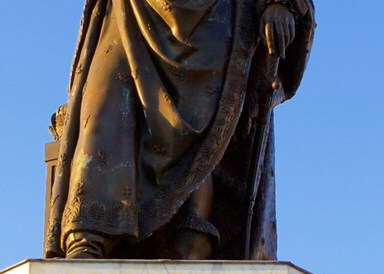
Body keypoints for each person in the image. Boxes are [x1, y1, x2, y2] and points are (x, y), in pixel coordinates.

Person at [43, 0, 315, 260]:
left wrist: (281, 2)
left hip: (216, 19)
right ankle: (87, 236)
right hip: (130, 10)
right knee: (105, 105)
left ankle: (189, 235)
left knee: (203, 130)